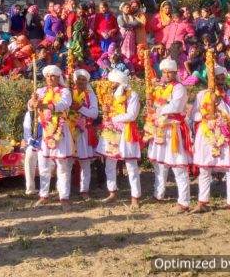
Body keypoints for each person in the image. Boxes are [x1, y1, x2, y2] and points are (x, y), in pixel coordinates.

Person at [190, 64, 230, 215]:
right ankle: (202, 202)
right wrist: (206, 116)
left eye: (222, 77)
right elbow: (194, 115)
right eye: (216, 78)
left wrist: (220, 103)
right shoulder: (201, 95)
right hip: (206, 135)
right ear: (210, 80)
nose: (219, 80)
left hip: (225, 134)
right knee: (204, 169)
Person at [146, 58, 191, 212]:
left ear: (175, 72)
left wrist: (158, 108)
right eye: (164, 72)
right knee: (160, 164)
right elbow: (156, 104)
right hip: (159, 129)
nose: (167, 75)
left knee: (178, 166)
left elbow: (175, 106)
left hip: (173, 130)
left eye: (169, 72)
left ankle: (184, 202)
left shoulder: (179, 88)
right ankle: (158, 194)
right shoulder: (161, 88)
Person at [97, 69, 142, 209]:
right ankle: (112, 192)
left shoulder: (132, 95)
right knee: (109, 163)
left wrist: (113, 118)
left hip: (127, 132)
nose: (110, 85)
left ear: (120, 83)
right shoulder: (109, 96)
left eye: (112, 83)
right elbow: (106, 112)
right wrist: (106, 114)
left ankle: (135, 197)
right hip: (111, 132)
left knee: (131, 165)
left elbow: (132, 115)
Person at [32, 65, 74, 208]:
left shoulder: (65, 91)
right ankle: (44, 195)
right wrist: (32, 103)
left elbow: (64, 104)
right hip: (45, 132)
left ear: (58, 77)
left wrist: (44, 106)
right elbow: (31, 106)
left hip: (60, 132)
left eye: (53, 76)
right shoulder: (40, 91)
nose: (50, 79)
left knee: (62, 166)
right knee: (44, 166)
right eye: (48, 76)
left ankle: (64, 197)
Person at [69, 69, 99, 198]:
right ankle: (64, 191)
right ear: (74, 81)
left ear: (87, 82)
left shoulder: (90, 95)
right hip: (68, 131)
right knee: (67, 162)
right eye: (78, 79)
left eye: (83, 80)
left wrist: (80, 108)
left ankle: (84, 190)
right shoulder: (69, 92)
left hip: (84, 131)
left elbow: (94, 113)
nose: (80, 82)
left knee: (85, 162)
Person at [21, 98, 40, 196]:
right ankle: (30, 188)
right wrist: (33, 142)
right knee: (29, 154)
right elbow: (27, 134)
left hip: (48, 144)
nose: (33, 106)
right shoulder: (28, 115)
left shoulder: (46, 113)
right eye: (31, 105)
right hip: (34, 144)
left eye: (34, 104)